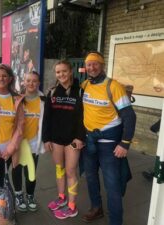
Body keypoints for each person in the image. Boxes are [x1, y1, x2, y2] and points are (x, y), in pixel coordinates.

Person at [81, 51, 136, 225]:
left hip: (109, 145)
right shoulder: (85, 86)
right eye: (89, 64)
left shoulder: (113, 86)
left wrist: (125, 144)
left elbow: (129, 116)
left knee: (112, 185)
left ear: (102, 65)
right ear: (86, 67)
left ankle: (115, 221)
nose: (92, 67)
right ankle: (96, 208)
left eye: (96, 63)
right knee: (90, 178)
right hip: (89, 142)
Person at [42, 60, 86, 219]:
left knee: (70, 171)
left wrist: (81, 137)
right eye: (58, 72)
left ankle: (72, 206)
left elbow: (84, 117)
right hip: (55, 139)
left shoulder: (80, 92)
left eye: (64, 71)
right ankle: (61, 197)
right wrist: (46, 139)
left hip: (73, 140)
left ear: (70, 72)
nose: (61, 75)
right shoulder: (52, 92)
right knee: (59, 169)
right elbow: (46, 118)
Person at [11, 71, 45, 212]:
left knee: (31, 171)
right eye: (28, 80)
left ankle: (30, 195)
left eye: (34, 81)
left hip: (33, 142)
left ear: (38, 83)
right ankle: (19, 195)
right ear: (24, 82)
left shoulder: (43, 100)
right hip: (18, 143)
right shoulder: (17, 99)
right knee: (17, 169)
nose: (31, 83)